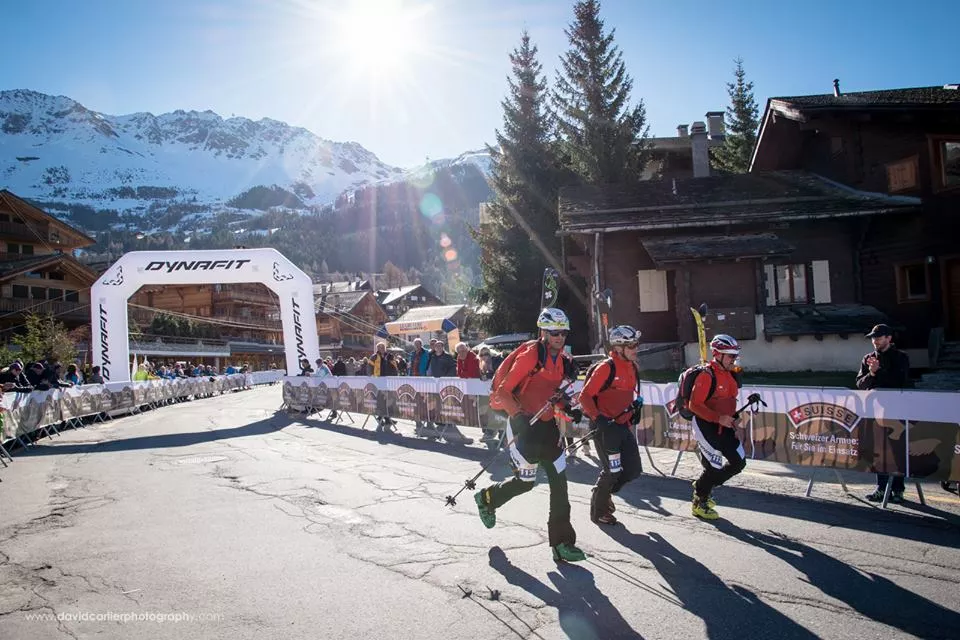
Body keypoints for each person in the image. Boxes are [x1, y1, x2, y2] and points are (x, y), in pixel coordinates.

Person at [473, 307, 585, 563]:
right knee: (525, 483)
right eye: (554, 332)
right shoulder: (531, 354)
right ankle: (486, 498)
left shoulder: (561, 360)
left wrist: (568, 411)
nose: (559, 337)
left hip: (546, 426)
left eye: (563, 332)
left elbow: (552, 395)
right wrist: (519, 415)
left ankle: (562, 543)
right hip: (524, 426)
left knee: (560, 484)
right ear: (543, 332)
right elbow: (503, 391)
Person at [579, 325, 644, 526]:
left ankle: (603, 492)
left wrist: (634, 410)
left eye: (636, 344)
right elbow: (585, 396)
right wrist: (598, 418)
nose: (636, 348)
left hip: (622, 426)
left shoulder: (632, 366)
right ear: (618, 348)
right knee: (612, 471)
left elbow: (625, 395)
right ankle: (599, 511)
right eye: (631, 345)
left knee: (633, 470)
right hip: (605, 427)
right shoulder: (606, 368)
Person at [689, 334, 744, 520]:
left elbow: (728, 403)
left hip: (724, 425)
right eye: (730, 356)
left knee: (738, 463)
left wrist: (733, 419)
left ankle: (702, 486)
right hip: (706, 424)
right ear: (717, 355)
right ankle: (700, 502)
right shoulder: (706, 375)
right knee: (714, 466)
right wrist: (718, 418)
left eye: (735, 356)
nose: (733, 359)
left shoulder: (731, 375)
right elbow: (694, 405)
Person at [856, 324, 911, 503]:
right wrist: (871, 373)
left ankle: (898, 490)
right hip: (876, 411)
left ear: (889, 338)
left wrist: (879, 372)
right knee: (879, 450)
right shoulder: (868, 358)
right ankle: (881, 487)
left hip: (897, 410)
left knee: (896, 449)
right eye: (873, 338)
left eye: (878, 338)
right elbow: (860, 384)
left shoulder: (900, 357)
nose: (875, 341)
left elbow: (899, 381)